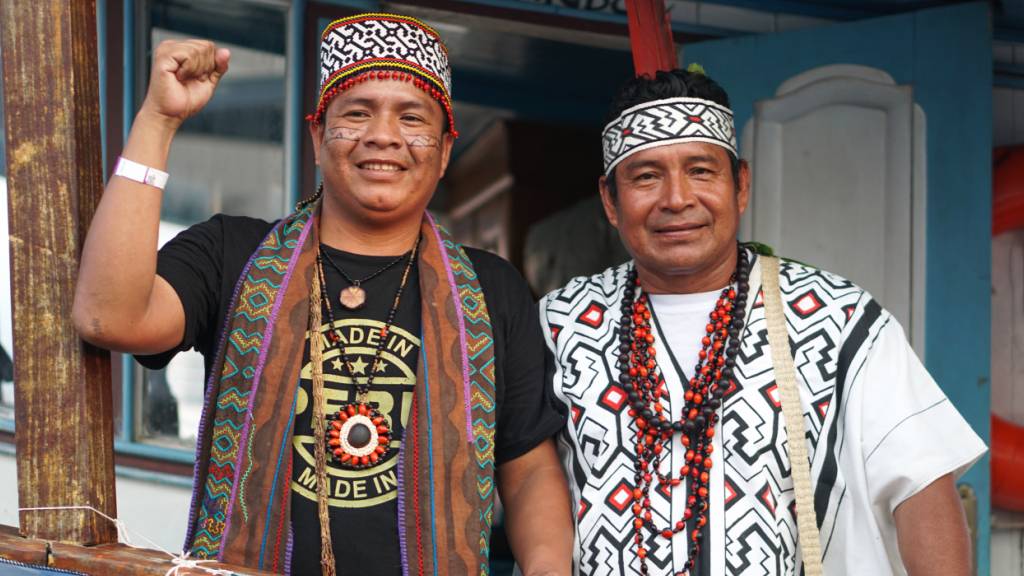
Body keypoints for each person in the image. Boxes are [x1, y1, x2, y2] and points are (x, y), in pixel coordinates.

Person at [72, 13, 571, 576]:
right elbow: (108, 316)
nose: (383, 135)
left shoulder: (490, 288)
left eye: (412, 118)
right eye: (356, 114)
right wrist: (158, 121)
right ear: (316, 136)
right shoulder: (232, 253)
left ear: (446, 148)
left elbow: (527, 468)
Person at [540, 66, 986, 575]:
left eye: (701, 171)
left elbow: (920, 483)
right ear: (610, 200)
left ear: (741, 184)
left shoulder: (840, 320)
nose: (677, 198)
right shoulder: (561, 325)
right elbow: (525, 481)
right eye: (646, 176)